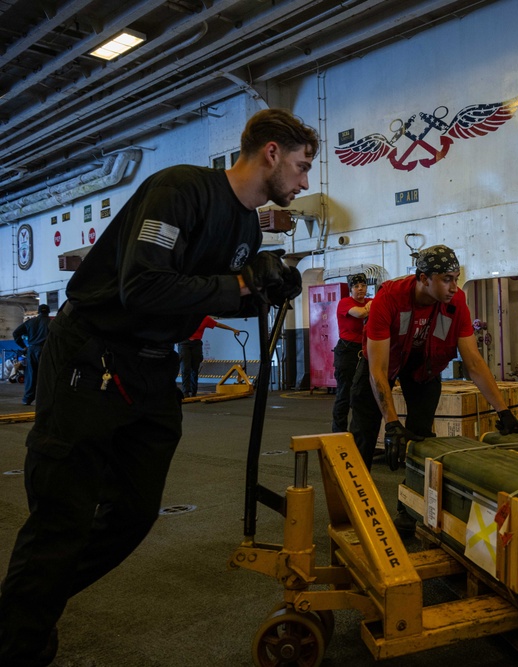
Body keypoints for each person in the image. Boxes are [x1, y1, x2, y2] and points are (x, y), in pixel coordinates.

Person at [0, 108, 316, 667]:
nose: (304, 181)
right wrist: (240, 282)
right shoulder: (180, 190)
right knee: (62, 517)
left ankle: (25, 607)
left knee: (132, 513)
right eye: (301, 165)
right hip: (91, 357)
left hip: (151, 370)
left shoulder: (245, 227)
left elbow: (205, 293)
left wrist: (262, 288)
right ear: (270, 153)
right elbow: (143, 286)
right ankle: (17, 638)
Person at [349, 244, 518, 473]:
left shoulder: (457, 302)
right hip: (383, 362)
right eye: (447, 279)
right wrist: (391, 423)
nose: (454, 287)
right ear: (424, 278)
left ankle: (412, 500)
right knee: (363, 431)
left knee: (421, 436)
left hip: (422, 366)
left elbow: (474, 362)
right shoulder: (389, 297)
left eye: (456, 279)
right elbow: (378, 369)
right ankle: (352, 498)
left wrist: (503, 411)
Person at [331, 273, 372, 432]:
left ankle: (359, 432)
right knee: (344, 394)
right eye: (356, 286)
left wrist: (371, 305)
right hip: (347, 352)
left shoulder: (369, 302)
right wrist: (371, 307)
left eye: (363, 285)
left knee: (362, 394)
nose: (360, 289)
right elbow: (360, 313)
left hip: (364, 351)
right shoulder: (345, 303)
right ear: (351, 289)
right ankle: (338, 432)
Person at [177, 316, 244, 398]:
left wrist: (233, 329)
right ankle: (186, 392)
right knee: (185, 368)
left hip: (196, 344)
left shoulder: (205, 318)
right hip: (184, 343)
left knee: (195, 368)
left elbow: (218, 324)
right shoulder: (186, 316)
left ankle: (193, 391)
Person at [12, 304, 50, 405]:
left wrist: (24, 346)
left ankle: (27, 399)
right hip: (46, 350)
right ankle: (46, 400)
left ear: (38, 311)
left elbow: (15, 333)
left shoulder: (31, 322)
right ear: (48, 312)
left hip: (32, 350)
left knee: (31, 375)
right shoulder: (52, 323)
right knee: (46, 375)